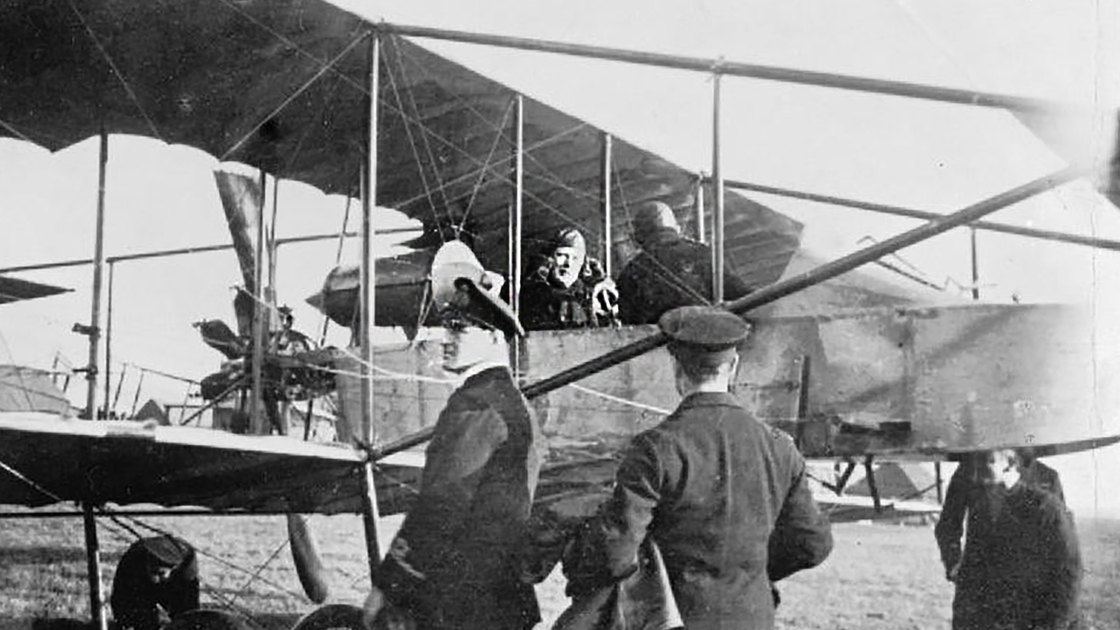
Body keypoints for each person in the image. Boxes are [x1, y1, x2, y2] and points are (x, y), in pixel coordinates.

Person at [576, 305, 833, 630]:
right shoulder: (780, 446)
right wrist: (750, 572)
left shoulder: (655, 448)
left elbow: (615, 553)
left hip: (675, 620)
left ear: (676, 369)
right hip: (752, 618)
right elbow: (812, 544)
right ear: (734, 366)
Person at [363, 265, 543, 630]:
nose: (445, 338)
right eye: (445, 327)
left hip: (458, 603)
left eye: (459, 328)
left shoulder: (476, 404)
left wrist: (389, 584)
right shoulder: (516, 404)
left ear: (495, 339)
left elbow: (442, 504)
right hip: (504, 600)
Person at [934, 449, 1081, 630]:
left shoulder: (1046, 478)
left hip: (1024, 598)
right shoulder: (968, 471)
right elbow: (948, 524)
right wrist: (954, 564)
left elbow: (1060, 548)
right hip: (976, 591)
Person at [616, 201, 752, 325]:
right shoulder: (703, 253)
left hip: (660, 346)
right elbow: (743, 295)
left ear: (637, 238)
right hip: (709, 339)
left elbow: (629, 325)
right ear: (677, 228)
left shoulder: (630, 273)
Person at [512, 227, 618, 330]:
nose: (568, 264)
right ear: (550, 258)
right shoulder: (532, 293)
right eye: (562, 255)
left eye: (576, 258)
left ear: (583, 264)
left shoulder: (591, 297)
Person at [110, 535, 200, 630]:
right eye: (152, 571)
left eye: (160, 573)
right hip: (141, 583)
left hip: (173, 585)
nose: (154, 578)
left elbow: (190, 614)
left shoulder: (186, 570)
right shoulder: (133, 560)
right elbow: (120, 601)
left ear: (174, 569)